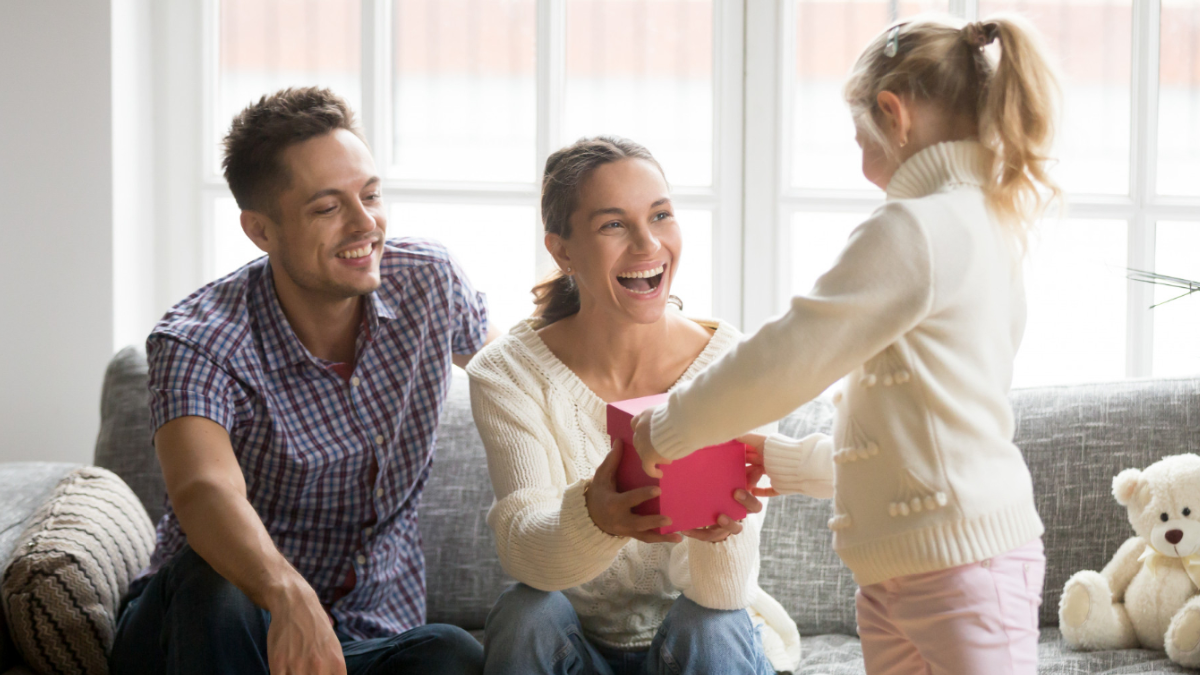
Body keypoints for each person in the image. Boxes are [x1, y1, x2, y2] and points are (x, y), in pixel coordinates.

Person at [630, 15, 1060, 675]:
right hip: (907, 571)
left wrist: (665, 429)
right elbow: (920, 429)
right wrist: (780, 457)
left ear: (894, 114)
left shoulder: (916, 229)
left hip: (961, 564)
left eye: (859, 136)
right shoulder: (984, 223)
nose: (861, 159)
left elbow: (790, 353)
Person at [109, 87, 495, 675]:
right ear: (261, 231)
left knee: (452, 655)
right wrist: (288, 595)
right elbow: (203, 489)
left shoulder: (429, 283)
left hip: (364, 636)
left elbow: (524, 380)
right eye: (327, 208)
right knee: (219, 589)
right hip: (204, 629)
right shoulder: (198, 338)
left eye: (370, 196)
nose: (365, 224)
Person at [465, 136, 802, 675]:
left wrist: (719, 532)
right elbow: (525, 552)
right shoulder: (507, 373)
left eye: (661, 215)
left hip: (698, 633)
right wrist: (596, 518)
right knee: (527, 612)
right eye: (613, 224)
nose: (648, 245)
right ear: (562, 250)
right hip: (572, 645)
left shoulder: (740, 366)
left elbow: (721, 595)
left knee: (710, 627)